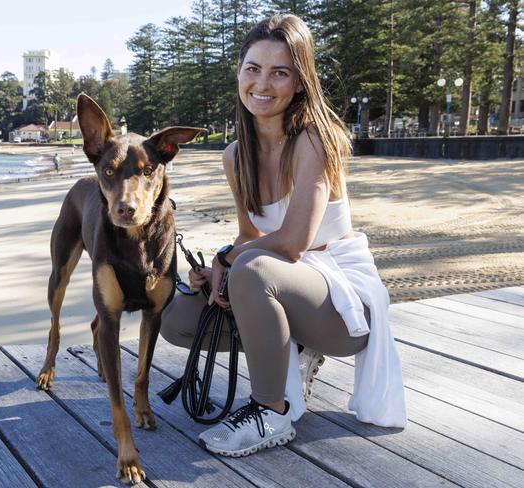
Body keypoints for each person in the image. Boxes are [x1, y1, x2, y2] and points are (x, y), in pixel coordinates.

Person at [160, 14, 406, 458]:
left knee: (250, 270)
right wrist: (217, 267)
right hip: (282, 282)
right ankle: (291, 351)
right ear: (239, 73)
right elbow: (251, 234)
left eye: (280, 72)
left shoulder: (316, 138)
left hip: (340, 299)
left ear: (299, 81)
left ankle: (269, 411)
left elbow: (292, 242)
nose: (263, 83)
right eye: (253, 69)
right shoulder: (237, 155)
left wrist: (232, 260)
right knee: (178, 315)